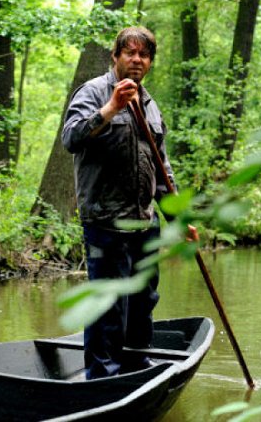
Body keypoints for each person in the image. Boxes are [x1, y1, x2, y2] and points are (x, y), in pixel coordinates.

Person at [61, 26, 178, 380]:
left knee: (143, 304)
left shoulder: (151, 104)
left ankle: (135, 370)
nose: (137, 60)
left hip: (144, 223)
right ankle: (102, 378)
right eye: (130, 53)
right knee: (107, 307)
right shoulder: (93, 92)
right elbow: (71, 137)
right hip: (105, 222)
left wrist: (176, 216)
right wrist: (111, 108)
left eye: (144, 55)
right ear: (115, 57)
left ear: (150, 62)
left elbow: (161, 166)